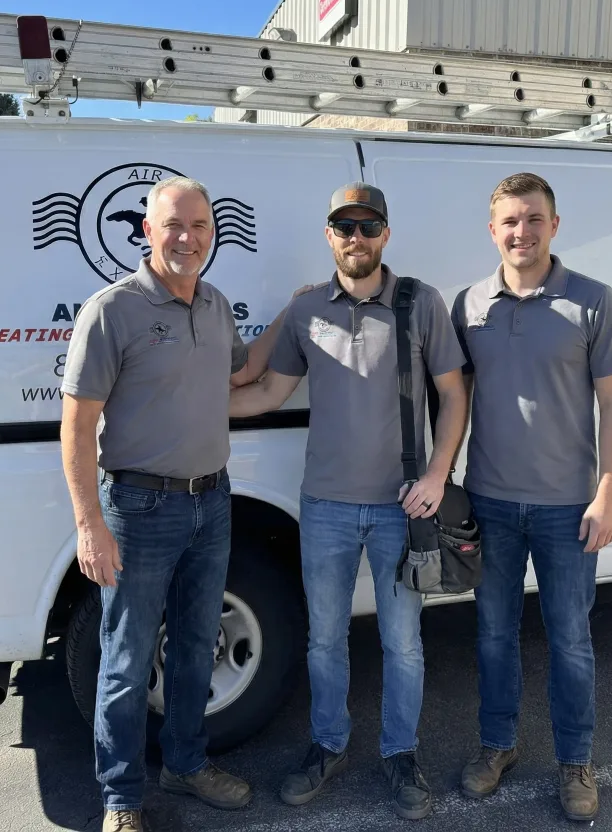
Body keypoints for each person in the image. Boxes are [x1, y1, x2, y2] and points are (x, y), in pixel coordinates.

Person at [59, 176, 300, 832]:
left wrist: (296, 313)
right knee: (128, 657)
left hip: (212, 502)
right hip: (137, 509)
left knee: (198, 643)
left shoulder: (216, 304)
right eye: (174, 226)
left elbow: (240, 377)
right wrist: (90, 525)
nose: (187, 238)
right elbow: (77, 427)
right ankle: (121, 799)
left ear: (212, 235)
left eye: (199, 227)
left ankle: (187, 764)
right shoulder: (112, 311)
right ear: (147, 230)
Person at [227, 182, 469, 821]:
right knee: (324, 641)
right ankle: (327, 744)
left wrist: (439, 476)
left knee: (403, 643)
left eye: (368, 226)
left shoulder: (421, 303)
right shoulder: (307, 312)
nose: (356, 238)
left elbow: (454, 394)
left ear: (385, 234)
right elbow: (266, 392)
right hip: (326, 507)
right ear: (328, 235)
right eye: (344, 226)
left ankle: (401, 753)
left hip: (402, 507)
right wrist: (181, 413)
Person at [450, 172, 612, 823]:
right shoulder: (468, 304)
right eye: (510, 221)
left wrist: (606, 495)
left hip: (567, 509)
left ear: (554, 225)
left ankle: (576, 761)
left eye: (533, 219)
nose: (521, 232)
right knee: (494, 636)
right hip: (490, 504)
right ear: (493, 230)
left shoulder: (591, 301)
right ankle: (497, 746)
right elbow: (454, 402)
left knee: (570, 640)